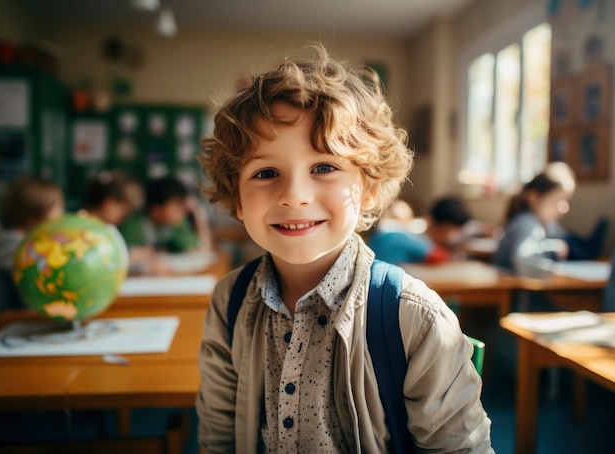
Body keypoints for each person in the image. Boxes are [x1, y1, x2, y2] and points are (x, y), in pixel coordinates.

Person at [196, 43, 492, 452]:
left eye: (324, 167)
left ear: (369, 187)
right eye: (266, 172)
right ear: (239, 199)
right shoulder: (228, 302)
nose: (295, 195)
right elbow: (218, 438)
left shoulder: (415, 318)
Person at [492, 161, 607, 272]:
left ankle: (589, 246)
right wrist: (554, 249)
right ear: (533, 198)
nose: (564, 207)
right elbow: (522, 256)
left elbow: (561, 238)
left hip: (533, 284)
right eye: (557, 201)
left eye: (565, 201)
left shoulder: (548, 224)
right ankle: (590, 247)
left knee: (572, 241)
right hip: (516, 289)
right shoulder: (525, 222)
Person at [0, 175, 64, 317]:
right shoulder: (24, 255)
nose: (61, 215)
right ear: (33, 219)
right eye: (58, 208)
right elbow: (40, 310)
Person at [118, 175, 213, 274]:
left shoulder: (176, 223)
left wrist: (198, 215)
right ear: (155, 209)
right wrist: (161, 250)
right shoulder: (133, 225)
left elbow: (199, 248)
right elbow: (128, 258)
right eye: (177, 204)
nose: (183, 209)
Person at [80, 170, 144, 226]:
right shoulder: (99, 233)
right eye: (123, 214)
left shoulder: (74, 221)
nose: (121, 221)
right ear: (109, 204)